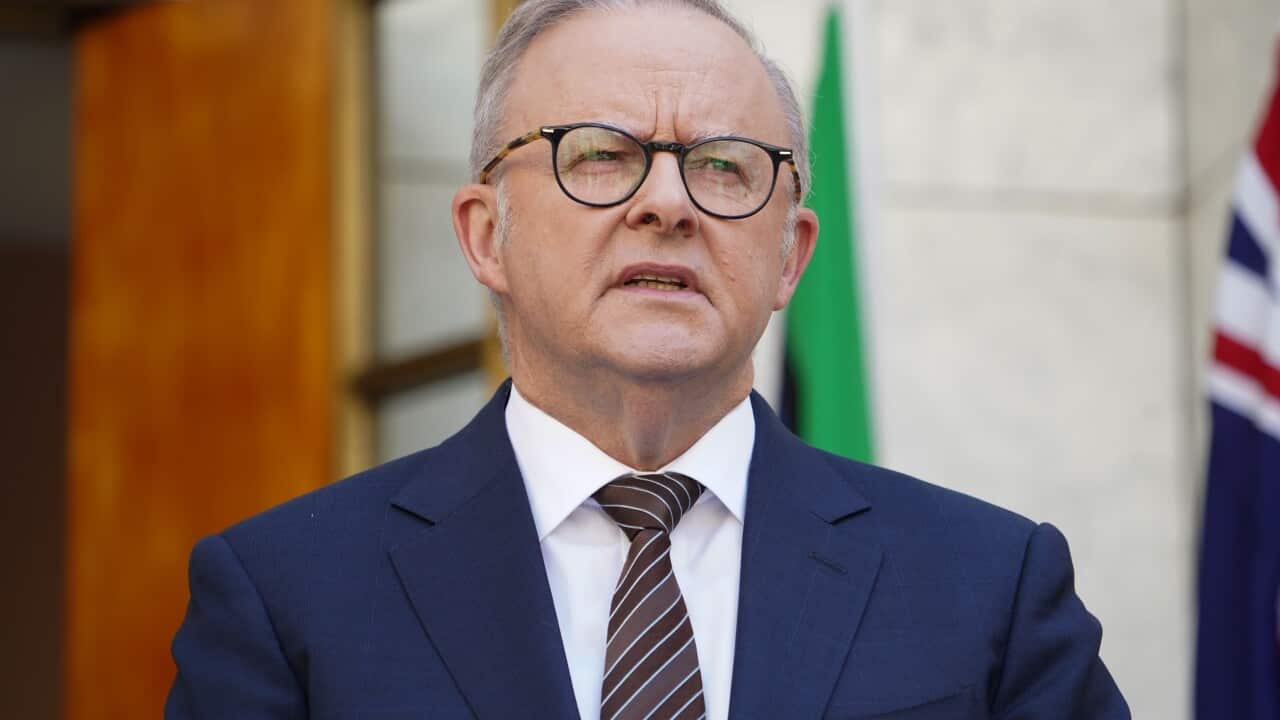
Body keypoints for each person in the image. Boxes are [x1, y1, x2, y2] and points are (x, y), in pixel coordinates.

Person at [165, 1, 1129, 718]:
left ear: (790, 255)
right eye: (598, 154)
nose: (667, 203)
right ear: (485, 236)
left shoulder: (989, 588)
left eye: (723, 165)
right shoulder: (285, 597)